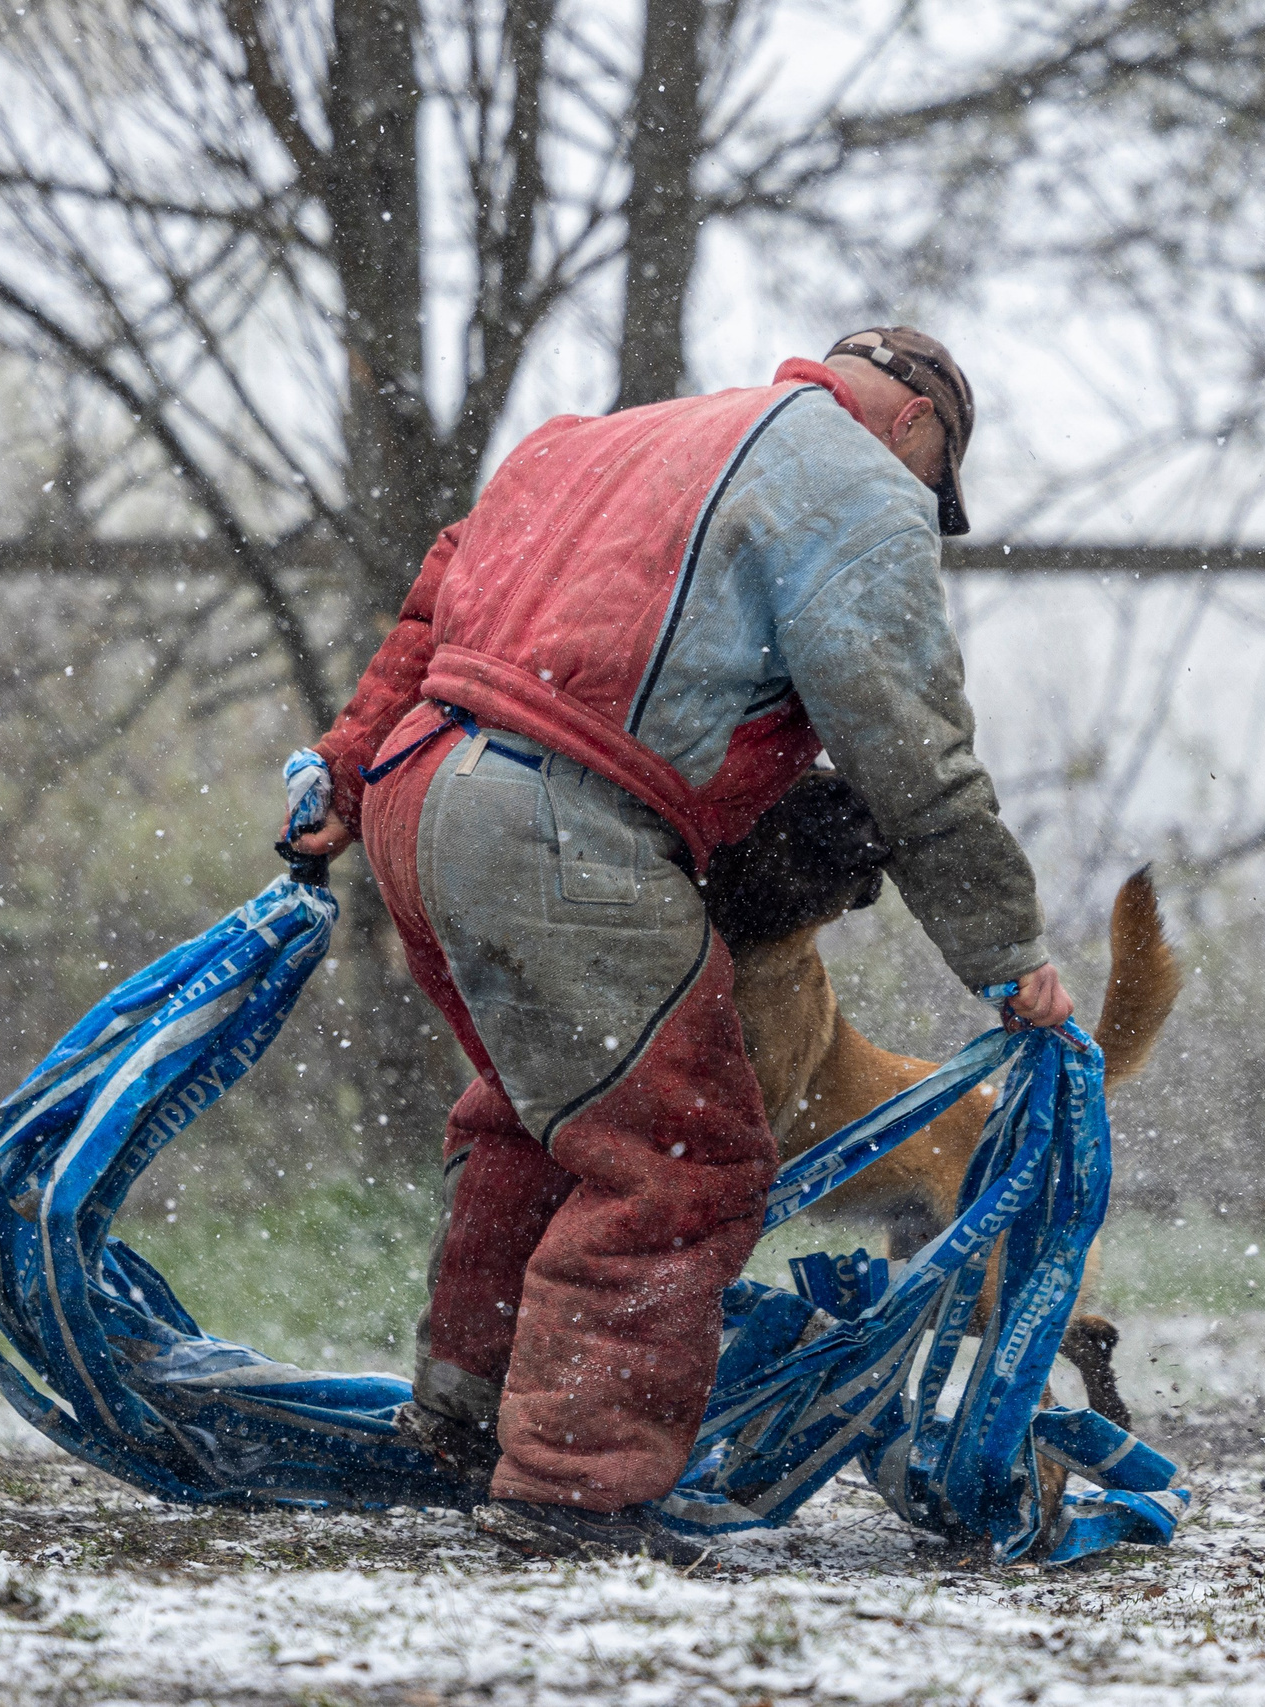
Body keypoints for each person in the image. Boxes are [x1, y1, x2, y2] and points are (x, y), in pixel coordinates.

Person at [290, 327, 1074, 1564]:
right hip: (559, 811)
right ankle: (572, 1492)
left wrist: (341, 765)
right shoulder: (862, 487)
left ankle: (464, 1407)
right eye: (935, 494)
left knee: (536, 1114)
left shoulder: (602, 441)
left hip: (412, 796)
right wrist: (1004, 949)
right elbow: (910, 754)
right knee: (681, 1164)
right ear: (919, 429)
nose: (923, 516)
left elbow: (438, 591)